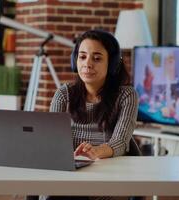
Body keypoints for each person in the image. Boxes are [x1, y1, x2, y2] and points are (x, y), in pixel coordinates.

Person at [46, 30, 138, 200]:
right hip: (67, 178)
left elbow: (120, 141)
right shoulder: (63, 94)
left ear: (111, 64)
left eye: (96, 58)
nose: (87, 64)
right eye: (82, 57)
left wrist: (95, 152)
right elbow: (53, 142)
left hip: (106, 178)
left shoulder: (126, 95)